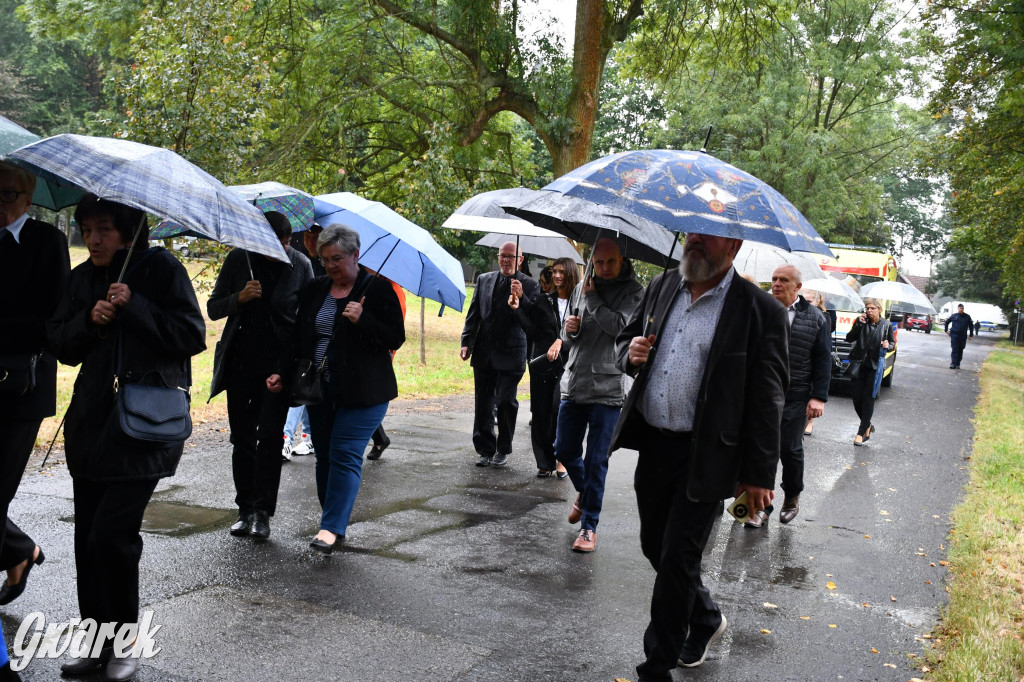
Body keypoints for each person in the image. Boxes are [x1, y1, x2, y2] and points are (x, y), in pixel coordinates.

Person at [610, 232, 789, 680]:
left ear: (732, 245)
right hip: (654, 441)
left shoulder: (759, 311)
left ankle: (656, 666)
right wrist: (630, 355)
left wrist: (759, 473)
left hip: (708, 454)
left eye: (705, 238)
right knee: (656, 546)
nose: (693, 243)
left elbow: (769, 399)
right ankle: (706, 618)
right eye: (691, 234)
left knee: (678, 559)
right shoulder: (662, 286)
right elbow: (626, 343)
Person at [48, 195, 206, 680]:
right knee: (86, 541)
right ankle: (95, 643)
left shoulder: (161, 269)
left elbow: (191, 334)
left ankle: (125, 643)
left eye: (104, 230)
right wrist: (88, 322)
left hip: (144, 429)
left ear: (128, 230)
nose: (93, 239)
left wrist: (134, 305)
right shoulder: (81, 278)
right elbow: (58, 343)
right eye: (87, 229)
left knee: (112, 536)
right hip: (91, 427)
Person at [267, 224, 405, 555]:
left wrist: (364, 320)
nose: (330, 266)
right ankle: (334, 520)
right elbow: (300, 337)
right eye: (324, 259)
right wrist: (281, 372)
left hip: (364, 393)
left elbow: (394, 337)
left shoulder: (377, 289)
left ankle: (330, 527)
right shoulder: (317, 289)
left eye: (337, 259)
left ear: (355, 255)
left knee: (343, 455)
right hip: (319, 389)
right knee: (325, 457)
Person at [208, 212, 313, 540]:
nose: (279, 250)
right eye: (272, 243)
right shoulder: (239, 260)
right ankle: (244, 509)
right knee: (241, 438)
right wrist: (238, 298)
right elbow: (213, 308)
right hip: (240, 364)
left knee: (269, 438)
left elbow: (306, 321)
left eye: (284, 243)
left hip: (279, 367)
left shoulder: (301, 266)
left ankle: (262, 512)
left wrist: (288, 369)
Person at [0, 162, 69, 615]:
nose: (0, 204)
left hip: (22, 385)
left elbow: (52, 318)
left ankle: (18, 551)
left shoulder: (48, 242)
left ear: (29, 198)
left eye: (7, 195)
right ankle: (20, 549)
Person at [555, 239, 642, 552]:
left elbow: (620, 328)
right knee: (563, 448)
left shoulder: (634, 292)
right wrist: (570, 328)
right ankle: (586, 493)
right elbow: (569, 335)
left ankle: (589, 527)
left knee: (596, 460)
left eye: (611, 262)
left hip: (608, 387)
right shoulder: (583, 286)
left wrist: (592, 299)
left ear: (621, 260)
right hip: (575, 381)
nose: (604, 268)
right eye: (600, 261)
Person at [745, 265, 830, 527]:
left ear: (798, 287)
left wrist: (818, 397)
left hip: (796, 395)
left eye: (784, 280)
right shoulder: (760, 310)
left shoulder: (815, 318)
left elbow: (823, 359)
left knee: (788, 448)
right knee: (757, 448)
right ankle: (759, 508)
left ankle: (792, 495)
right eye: (773, 279)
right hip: (761, 394)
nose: (777, 284)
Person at [459, 243, 540, 467]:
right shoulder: (484, 279)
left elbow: (533, 322)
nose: (505, 260)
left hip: (512, 353)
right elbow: (473, 313)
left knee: (505, 401)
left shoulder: (530, 285)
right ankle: (485, 448)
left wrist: (520, 300)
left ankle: (503, 448)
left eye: (510, 257)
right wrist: (467, 342)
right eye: (502, 256)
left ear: (520, 259)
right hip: (485, 351)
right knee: (483, 403)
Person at [524, 257, 579, 479]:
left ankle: (562, 458)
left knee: (559, 409)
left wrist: (561, 341)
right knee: (540, 412)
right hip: (544, 364)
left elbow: (583, 336)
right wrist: (516, 308)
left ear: (571, 274)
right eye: (554, 272)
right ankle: (544, 461)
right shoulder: (544, 300)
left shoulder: (582, 303)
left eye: (562, 272)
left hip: (569, 364)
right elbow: (530, 328)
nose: (557, 276)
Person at [366, 275, 407, 461]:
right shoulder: (370, 283)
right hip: (369, 346)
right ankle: (380, 437)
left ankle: (380, 438)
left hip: (383, 349)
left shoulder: (393, 290)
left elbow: (396, 325)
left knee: (370, 396)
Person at [846, 297, 895, 445]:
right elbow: (849, 338)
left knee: (868, 399)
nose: (869, 311)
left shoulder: (886, 325)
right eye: (867, 308)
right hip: (859, 365)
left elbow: (892, 343)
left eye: (872, 308)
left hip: (874, 367)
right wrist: (859, 326)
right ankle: (867, 425)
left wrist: (888, 344)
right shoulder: (860, 321)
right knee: (856, 399)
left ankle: (861, 433)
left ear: (879, 309)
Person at [802, 289, 834, 437]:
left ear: (817, 301)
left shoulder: (824, 317)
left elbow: (824, 354)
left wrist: (819, 396)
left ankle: (810, 421)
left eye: (809, 301)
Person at [945, 304, 974, 369]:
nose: (961, 309)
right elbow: (947, 322)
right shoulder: (954, 316)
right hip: (954, 334)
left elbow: (971, 326)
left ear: (963, 309)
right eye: (960, 308)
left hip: (963, 335)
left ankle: (958, 363)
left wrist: (971, 335)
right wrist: (946, 330)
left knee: (960, 349)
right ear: (958, 309)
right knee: (954, 349)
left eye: (962, 308)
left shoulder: (967, 317)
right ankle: (953, 363)